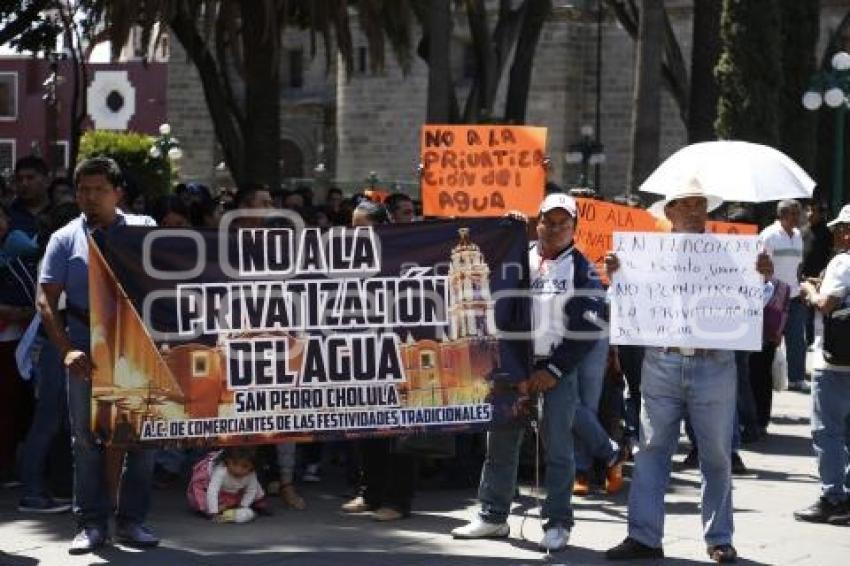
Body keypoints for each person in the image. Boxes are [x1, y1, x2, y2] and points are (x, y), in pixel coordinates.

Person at [604, 179, 773, 563]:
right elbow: (621, 301)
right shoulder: (645, 253)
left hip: (713, 365)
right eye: (687, 204)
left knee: (715, 454)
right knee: (650, 451)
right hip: (661, 362)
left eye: (701, 205)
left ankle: (719, 538)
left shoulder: (731, 254)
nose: (696, 211)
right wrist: (617, 275)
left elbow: (754, 303)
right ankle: (644, 537)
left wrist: (763, 277)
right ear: (670, 212)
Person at [451, 192, 605, 551]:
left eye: (562, 224)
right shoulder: (518, 256)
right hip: (512, 367)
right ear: (537, 224)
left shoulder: (582, 269)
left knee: (558, 449)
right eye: (547, 222)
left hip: (556, 368)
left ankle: (557, 522)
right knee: (500, 443)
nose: (554, 229)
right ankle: (492, 516)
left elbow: (590, 326)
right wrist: (506, 228)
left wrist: (554, 368)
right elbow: (484, 273)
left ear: (574, 228)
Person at [36, 157, 160, 554]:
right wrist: (66, 350)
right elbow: (45, 299)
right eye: (83, 190)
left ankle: (132, 521)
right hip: (84, 343)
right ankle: (90, 523)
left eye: (99, 190)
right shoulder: (64, 238)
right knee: (86, 441)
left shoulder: (145, 231)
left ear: (117, 192)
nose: (89, 197)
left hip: (138, 345)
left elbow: (171, 287)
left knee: (139, 437)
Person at [341, 199, 416, 521]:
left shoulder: (403, 255)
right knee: (367, 429)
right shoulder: (345, 261)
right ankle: (370, 493)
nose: (356, 235)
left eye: (364, 228)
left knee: (399, 432)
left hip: (397, 352)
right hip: (363, 354)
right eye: (353, 228)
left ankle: (397, 501)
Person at [794, 204, 850, 525]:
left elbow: (826, 305)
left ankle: (832, 498)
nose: (838, 234)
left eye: (842, 229)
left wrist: (810, 290)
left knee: (828, 431)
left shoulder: (842, 262)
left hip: (834, 362)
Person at [760, 200, 808, 392]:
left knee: (797, 339)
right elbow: (761, 265)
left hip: (794, 295)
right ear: (783, 214)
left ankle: (796, 378)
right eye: (794, 213)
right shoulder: (769, 235)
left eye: (798, 213)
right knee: (771, 339)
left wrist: (800, 285)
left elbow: (798, 265)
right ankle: (767, 378)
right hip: (773, 296)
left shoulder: (798, 236)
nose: (798, 217)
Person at [187, 447, 267, 522]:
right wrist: (214, 513)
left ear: (252, 467)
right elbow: (212, 491)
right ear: (227, 461)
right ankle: (210, 509)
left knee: (257, 488)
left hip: (234, 490)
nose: (238, 470)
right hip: (209, 488)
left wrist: (243, 506)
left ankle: (256, 505)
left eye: (245, 466)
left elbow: (251, 490)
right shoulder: (221, 471)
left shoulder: (251, 474)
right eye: (234, 464)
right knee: (204, 497)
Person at [801, 202, 833, 347]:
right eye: (808, 210)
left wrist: (824, 276)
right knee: (807, 313)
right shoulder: (802, 232)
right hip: (805, 278)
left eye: (814, 211)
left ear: (821, 214)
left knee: (825, 311)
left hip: (823, 279)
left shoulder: (827, 233)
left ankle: (828, 341)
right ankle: (809, 342)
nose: (810, 214)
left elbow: (832, 254)